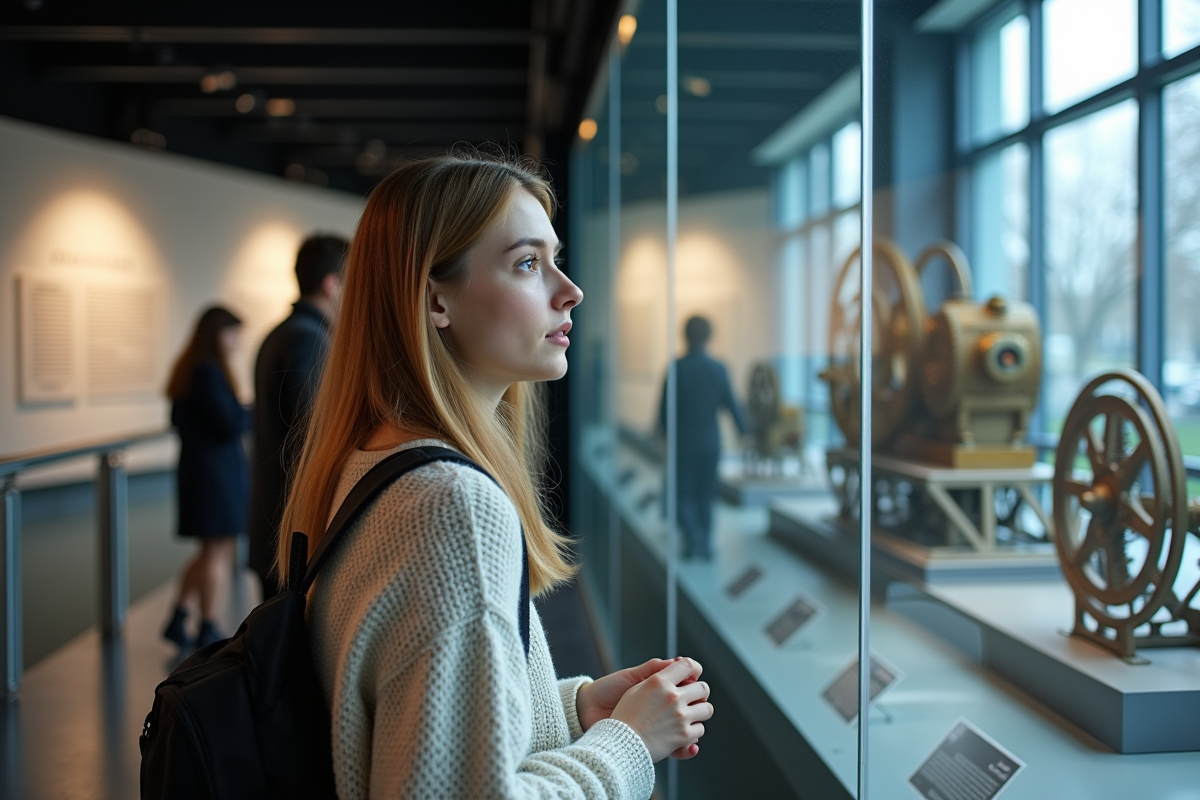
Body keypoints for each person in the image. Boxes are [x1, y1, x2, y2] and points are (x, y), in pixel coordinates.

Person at [278, 153, 713, 799]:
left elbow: (412, 729)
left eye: (553, 258)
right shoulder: (451, 505)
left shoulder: (377, 462)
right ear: (436, 301)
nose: (571, 290)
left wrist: (576, 710)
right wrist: (628, 743)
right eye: (527, 263)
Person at [248, 233, 348, 599]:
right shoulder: (309, 340)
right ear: (331, 285)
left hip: (276, 518)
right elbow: (312, 436)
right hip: (291, 526)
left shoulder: (282, 333)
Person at [162, 306, 252, 649]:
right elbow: (227, 423)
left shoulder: (193, 370)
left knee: (208, 551)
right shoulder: (207, 373)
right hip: (216, 476)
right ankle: (208, 624)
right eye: (231, 333)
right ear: (215, 334)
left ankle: (180, 614)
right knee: (218, 551)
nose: (235, 341)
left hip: (204, 472)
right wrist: (249, 411)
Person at [659, 316, 748, 560]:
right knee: (706, 494)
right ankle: (705, 543)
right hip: (710, 441)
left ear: (685, 336)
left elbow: (664, 409)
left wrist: (663, 435)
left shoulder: (677, 368)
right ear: (709, 336)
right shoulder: (718, 368)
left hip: (684, 442)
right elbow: (731, 404)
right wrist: (744, 432)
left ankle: (692, 538)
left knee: (685, 492)